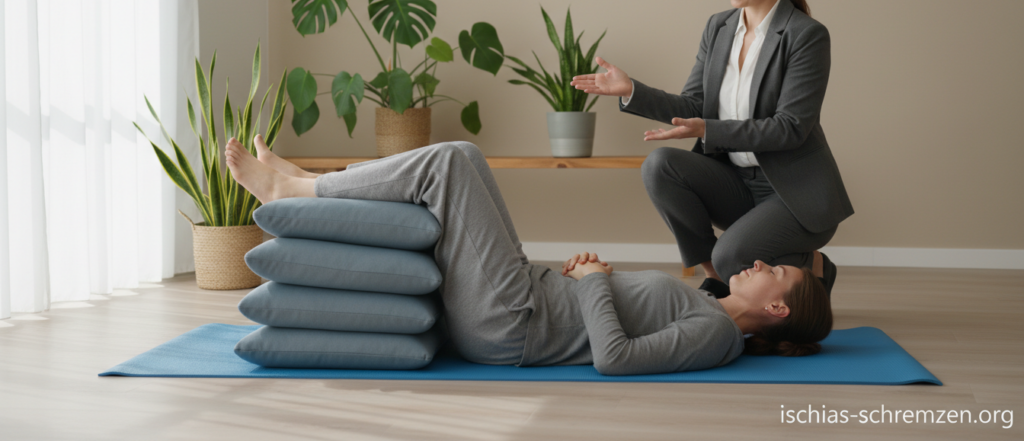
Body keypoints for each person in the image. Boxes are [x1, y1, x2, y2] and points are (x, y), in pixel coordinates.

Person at [225, 136, 832, 376]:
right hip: (525, 294)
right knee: (465, 155)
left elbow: (616, 359)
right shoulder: (707, 308)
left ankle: (299, 188)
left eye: (775, 271)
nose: (759, 263)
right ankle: (311, 183)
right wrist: (586, 280)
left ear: (778, 310)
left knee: (450, 164)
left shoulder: (716, 336)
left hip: (510, 323)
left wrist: (593, 281)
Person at [571, 0, 854, 297]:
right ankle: (717, 276)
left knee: (732, 254)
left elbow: (790, 127)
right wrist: (631, 89)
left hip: (792, 192)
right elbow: (695, 104)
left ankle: (813, 265)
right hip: (734, 180)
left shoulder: (806, 35)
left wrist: (708, 129)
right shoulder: (718, 28)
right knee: (659, 165)